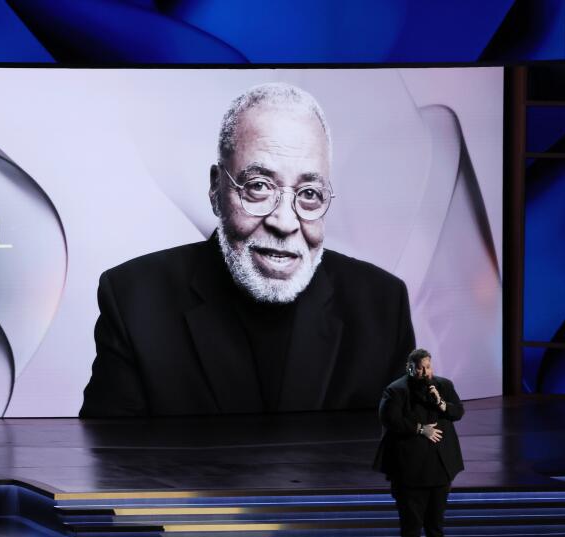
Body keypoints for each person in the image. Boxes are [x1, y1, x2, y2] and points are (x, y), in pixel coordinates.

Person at [80, 82, 415, 417]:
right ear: (216, 189)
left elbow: (402, 452)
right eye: (258, 187)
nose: (284, 222)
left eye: (310, 193)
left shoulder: (382, 307)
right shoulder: (134, 300)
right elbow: (112, 460)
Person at [373, 347, 464, 537]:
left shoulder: (443, 386)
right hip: (409, 468)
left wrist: (441, 403)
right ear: (410, 368)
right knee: (411, 520)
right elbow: (389, 419)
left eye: (428, 367)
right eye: (420, 368)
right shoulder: (395, 390)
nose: (425, 372)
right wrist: (420, 429)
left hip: (439, 465)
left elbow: (457, 412)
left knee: (436, 519)